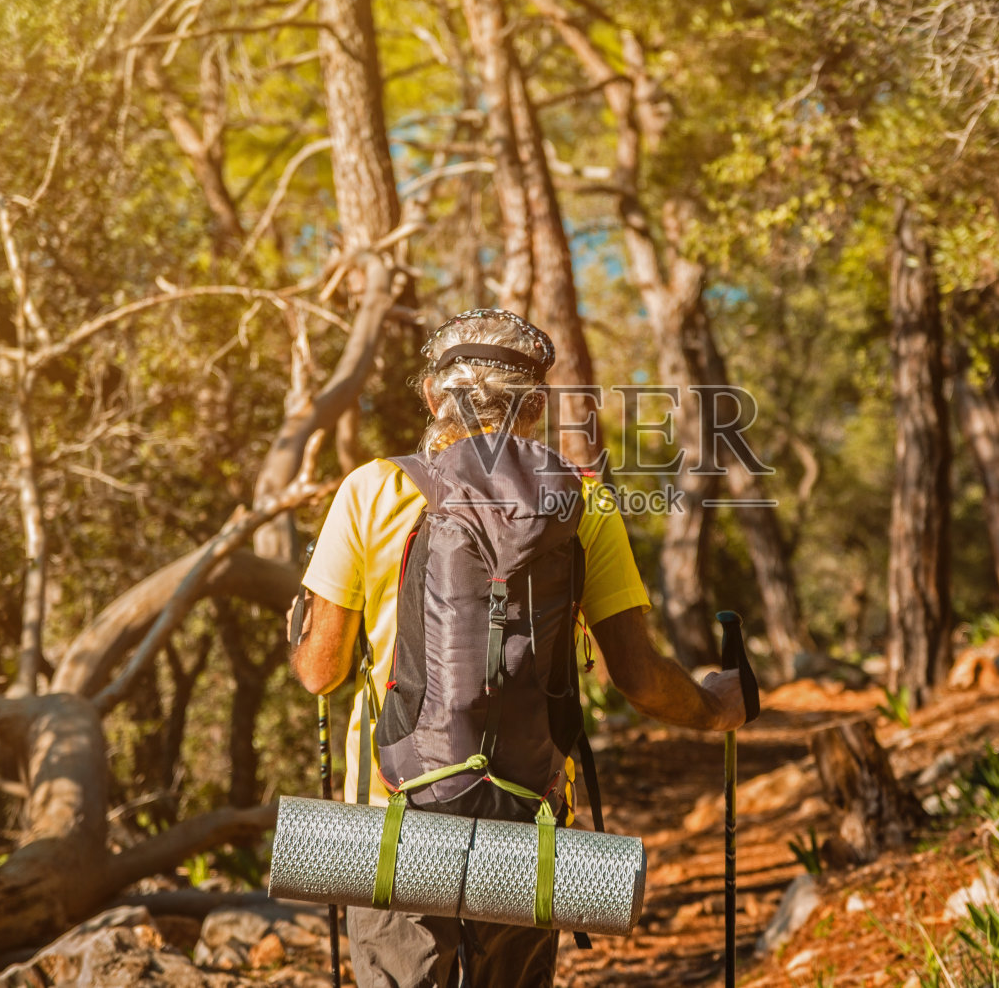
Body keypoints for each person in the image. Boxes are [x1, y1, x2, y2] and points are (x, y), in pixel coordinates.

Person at [289, 307, 745, 988]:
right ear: (536, 404)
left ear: (431, 396)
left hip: (393, 827)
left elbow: (321, 672)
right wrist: (715, 707)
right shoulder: (583, 503)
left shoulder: (371, 490)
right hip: (526, 822)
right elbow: (640, 678)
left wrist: (301, 635)